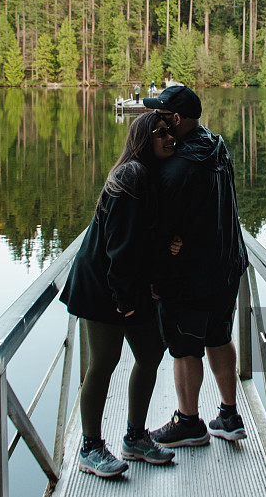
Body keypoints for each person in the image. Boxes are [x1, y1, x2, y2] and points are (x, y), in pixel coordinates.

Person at [59, 112, 178, 477]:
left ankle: (135, 437)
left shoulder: (150, 175)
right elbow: (121, 248)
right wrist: (126, 301)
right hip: (102, 287)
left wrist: (164, 250)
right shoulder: (132, 176)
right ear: (143, 139)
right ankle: (90, 447)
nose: (169, 138)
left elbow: (142, 237)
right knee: (104, 362)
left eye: (170, 132)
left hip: (127, 286)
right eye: (160, 133)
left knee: (151, 352)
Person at [142, 85, 249, 447]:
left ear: (175, 119)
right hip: (228, 264)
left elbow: (162, 227)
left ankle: (188, 422)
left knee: (185, 347)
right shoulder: (218, 147)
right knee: (219, 336)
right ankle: (230, 415)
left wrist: (155, 276)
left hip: (191, 273)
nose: (156, 118)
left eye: (160, 114)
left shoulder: (177, 168)